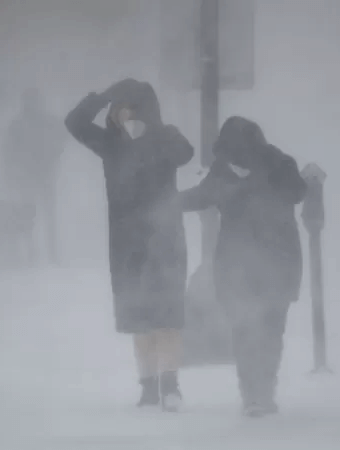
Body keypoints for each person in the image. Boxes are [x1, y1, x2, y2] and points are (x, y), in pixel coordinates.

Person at [65, 78, 194, 412]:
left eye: (125, 106)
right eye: (116, 108)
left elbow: (186, 152)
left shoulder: (165, 137)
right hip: (126, 244)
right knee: (139, 318)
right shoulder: (111, 143)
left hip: (166, 240)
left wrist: (156, 132)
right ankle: (148, 387)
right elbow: (74, 123)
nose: (120, 114)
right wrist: (102, 95)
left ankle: (170, 386)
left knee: (167, 317)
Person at [177, 116, 306, 417]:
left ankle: (264, 389)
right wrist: (165, 201)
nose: (231, 160)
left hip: (277, 260)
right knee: (244, 326)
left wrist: (251, 180)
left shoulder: (279, 163)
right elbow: (201, 196)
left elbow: (298, 192)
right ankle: (252, 393)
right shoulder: (223, 169)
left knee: (271, 327)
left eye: (234, 153)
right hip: (238, 263)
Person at [2, 88, 67, 265]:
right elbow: (8, 151)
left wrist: (54, 156)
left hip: (41, 175)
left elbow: (61, 139)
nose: (33, 104)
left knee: (43, 215)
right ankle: (36, 253)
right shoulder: (20, 124)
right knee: (31, 216)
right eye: (31, 101)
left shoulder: (43, 122)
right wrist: (11, 172)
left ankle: (47, 253)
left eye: (34, 101)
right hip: (30, 176)